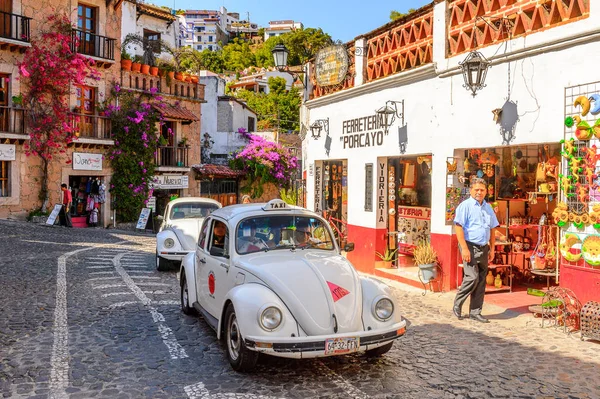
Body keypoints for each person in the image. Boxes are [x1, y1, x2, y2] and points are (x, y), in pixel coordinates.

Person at [453, 178, 499, 323]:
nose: (479, 192)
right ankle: (457, 303)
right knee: (472, 277)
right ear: (471, 190)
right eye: (476, 190)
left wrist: (492, 248)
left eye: (482, 190)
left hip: (483, 246)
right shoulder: (465, 206)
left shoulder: (488, 207)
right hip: (469, 245)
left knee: (481, 280)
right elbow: (458, 227)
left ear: (486, 191)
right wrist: (464, 249)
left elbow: (492, 229)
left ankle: (475, 311)